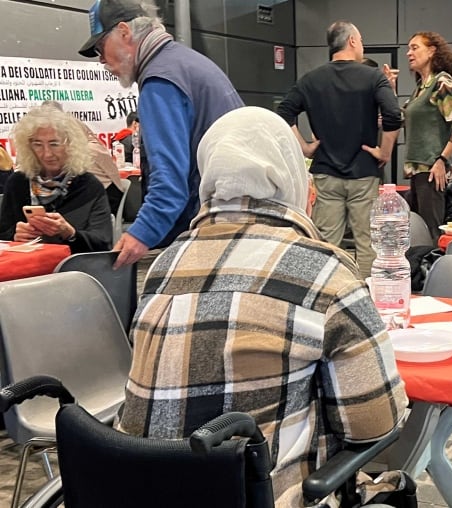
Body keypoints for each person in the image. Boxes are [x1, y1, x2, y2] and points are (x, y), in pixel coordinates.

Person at [114, 106, 407, 506]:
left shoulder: (163, 267)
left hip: (146, 492)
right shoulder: (326, 272)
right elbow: (375, 424)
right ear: (294, 178)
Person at [78, 0, 243, 268]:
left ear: (124, 32)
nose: (102, 61)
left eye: (100, 48)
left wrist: (140, 234)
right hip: (235, 220)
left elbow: (169, 186)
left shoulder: (160, 81)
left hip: (211, 228)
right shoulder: (185, 61)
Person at [277, 21, 401, 279]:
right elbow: (393, 114)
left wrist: (306, 148)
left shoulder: (311, 79)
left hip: (325, 173)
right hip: (364, 172)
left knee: (327, 243)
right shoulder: (373, 77)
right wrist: (385, 152)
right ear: (353, 41)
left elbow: (284, 112)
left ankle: (329, 296)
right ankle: (365, 296)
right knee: (367, 242)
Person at [0, 104, 112, 252]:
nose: (47, 154)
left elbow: (103, 243)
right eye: (38, 144)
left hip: (73, 270)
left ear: (71, 145)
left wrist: (70, 234)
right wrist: (15, 235)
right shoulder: (18, 183)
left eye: (54, 144)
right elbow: (3, 234)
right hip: (26, 268)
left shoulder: (88, 185)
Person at [402, 31, 452, 239]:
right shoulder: (420, 88)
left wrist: (441, 160)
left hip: (431, 171)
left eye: (415, 48)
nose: (408, 53)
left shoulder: (442, 83)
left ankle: (431, 272)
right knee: (418, 234)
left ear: (431, 51)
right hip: (417, 171)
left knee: (429, 235)